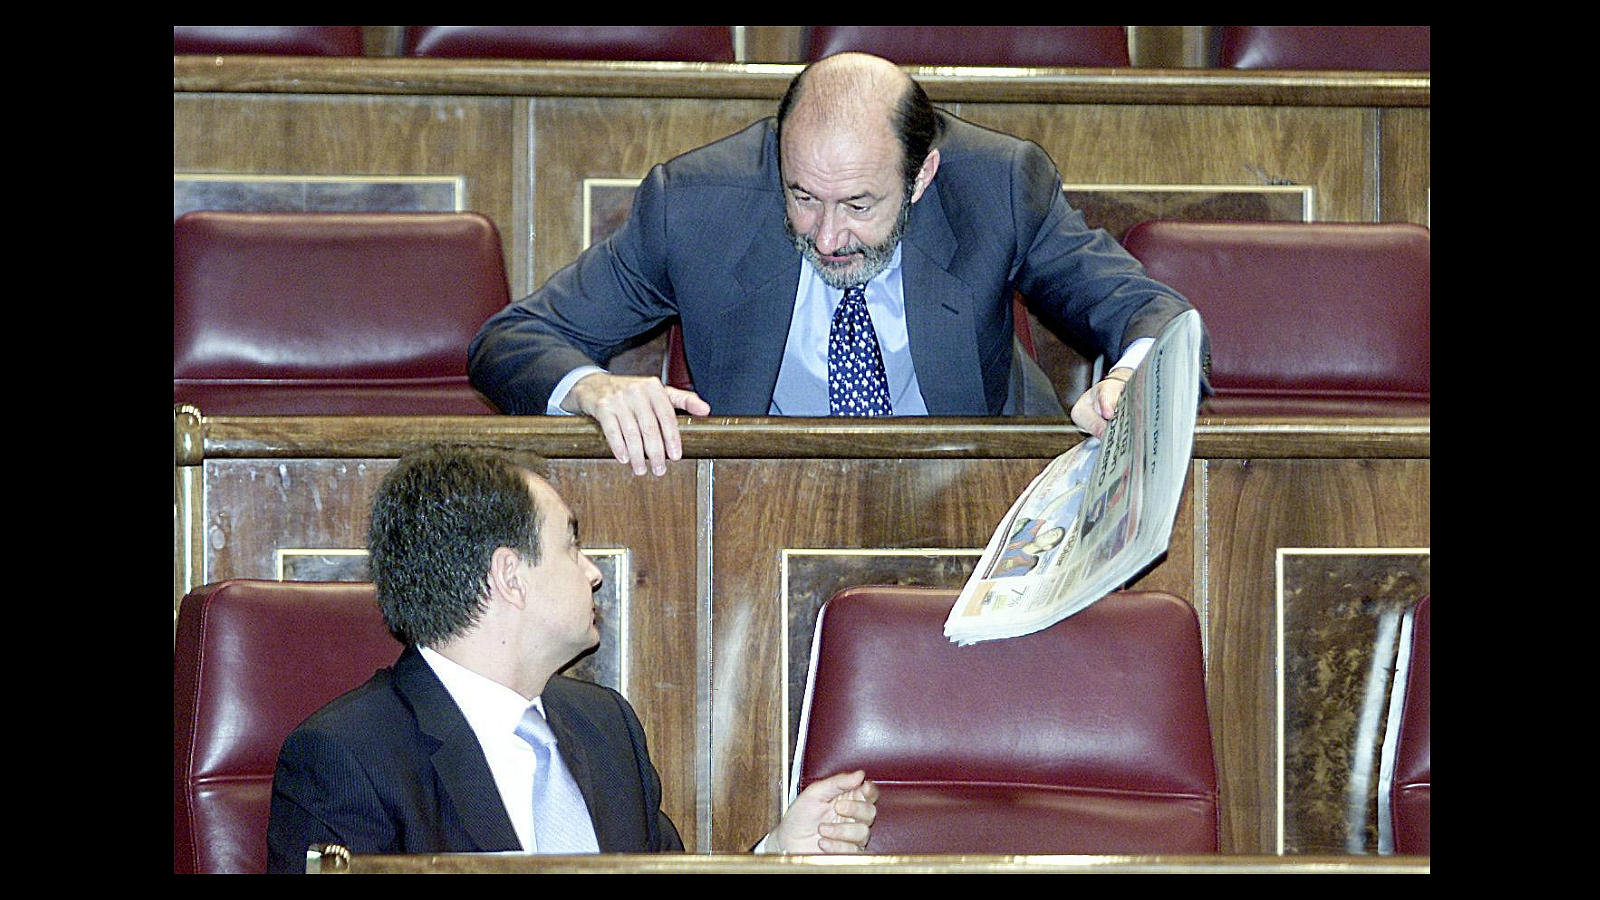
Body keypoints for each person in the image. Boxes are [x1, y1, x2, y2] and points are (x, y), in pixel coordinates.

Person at [469, 52, 1206, 477]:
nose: (827, 237)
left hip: (979, 494)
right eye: (802, 197)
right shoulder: (695, 204)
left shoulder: (999, 186)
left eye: (858, 203)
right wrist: (593, 389)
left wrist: (1134, 384)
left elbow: (1153, 315)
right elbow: (511, 338)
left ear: (922, 177)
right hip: (767, 506)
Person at [266, 444, 878, 872]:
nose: (593, 574)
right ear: (510, 576)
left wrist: (779, 855)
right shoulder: (348, 754)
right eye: (572, 544)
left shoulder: (604, 724)